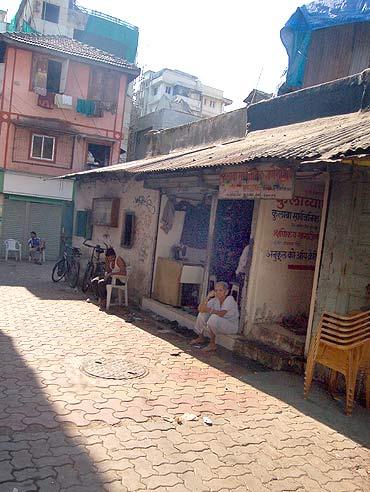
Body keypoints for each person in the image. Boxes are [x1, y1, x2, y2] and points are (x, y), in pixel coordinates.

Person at [190, 281, 239, 352]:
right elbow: (200, 309)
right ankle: (201, 337)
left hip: (231, 326)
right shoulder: (215, 300)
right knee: (202, 314)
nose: (218, 292)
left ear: (226, 292)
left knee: (213, 318)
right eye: (216, 290)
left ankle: (212, 344)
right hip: (220, 323)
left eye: (220, 290)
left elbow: (221, 313)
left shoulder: (229, 299)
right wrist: (208, 297)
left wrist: (209, 310)